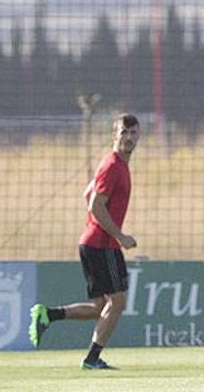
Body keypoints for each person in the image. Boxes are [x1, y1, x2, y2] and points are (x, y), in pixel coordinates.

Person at [28, 114, 140, 370]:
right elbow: (94, 204)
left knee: (99, 307)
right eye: (124, 132)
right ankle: (92, 358)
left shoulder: (117, 165)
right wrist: (119, 235)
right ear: (115, 135)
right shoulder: (112, 165)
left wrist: (97, 222)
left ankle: (48, 314)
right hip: (103, 245)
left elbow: (87, 193)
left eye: (134, 133)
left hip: (94, 242)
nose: (129, 137)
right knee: (118, 302)